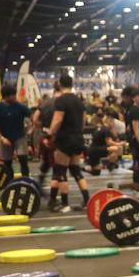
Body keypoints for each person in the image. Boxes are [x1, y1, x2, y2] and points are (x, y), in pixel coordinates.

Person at [45, 74, 91, 213]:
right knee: (76, 170)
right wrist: (78, 132)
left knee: (60, 171)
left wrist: (50, 133)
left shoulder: (61, 100)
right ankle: (87, 200)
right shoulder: (79, 100)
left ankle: (65, 204)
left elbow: (58, 119)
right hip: (78, 139)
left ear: (59, 84)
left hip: (65, 139)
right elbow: (83, 121)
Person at [0, 84, 31, 179]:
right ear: (6, 96)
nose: (15, 97)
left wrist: (31, 130)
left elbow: (33, 116)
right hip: (5, 137)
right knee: (7, 162)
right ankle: (10, 183)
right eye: (13, 95)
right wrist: (2, 138)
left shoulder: (20, 106)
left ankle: (26, 181)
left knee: (22, 158)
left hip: (20, 136)